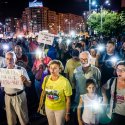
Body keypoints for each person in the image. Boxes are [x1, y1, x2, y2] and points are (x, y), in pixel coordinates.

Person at [38, 60, 72, 125]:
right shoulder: (46, 78)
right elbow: (43, 92)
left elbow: (68, 99)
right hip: (48, 107)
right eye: (51, 68)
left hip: (60, 109)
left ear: (60, 69)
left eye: (55, 68)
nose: (52, 70)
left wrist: (67, 113)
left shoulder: (65, 82)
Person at [2, 51, 31, 125]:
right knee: (10, 119)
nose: (9, 60)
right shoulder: (2, 71)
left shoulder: (21, 69)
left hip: (19, 96)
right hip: (7, 97)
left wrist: (25, 81)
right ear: (5, 60)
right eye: (7, 58)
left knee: (23, 118)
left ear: (15, 59)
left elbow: (29, 84)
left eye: (11, 58)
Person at [102, 61, 125, 125]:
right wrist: (104, 96)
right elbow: (103, 88)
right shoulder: (112, 81)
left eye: (123, 70)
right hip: (112, 114)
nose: (120, 72)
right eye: (118, 70)